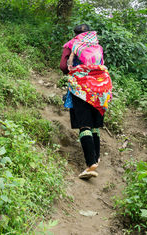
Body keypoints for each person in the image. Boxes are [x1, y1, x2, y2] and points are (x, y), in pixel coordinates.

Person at [60, 24, 113, 179]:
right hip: (101, 87)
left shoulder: (72, 44)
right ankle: (95, 158)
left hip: (82, 88)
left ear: (75, 33)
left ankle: (90, 164)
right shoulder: (98, 46)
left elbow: (63, 67)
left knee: (84, 124)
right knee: (95, 125)